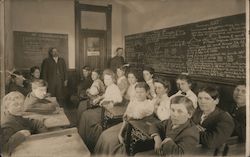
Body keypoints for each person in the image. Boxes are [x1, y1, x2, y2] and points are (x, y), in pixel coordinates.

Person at [94, 82, 154, 155]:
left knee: (110, 141)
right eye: (137, 92)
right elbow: (126, 117)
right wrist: (120, 133)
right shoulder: (134, 101)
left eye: (141, 92)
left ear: (147, 92)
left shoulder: (149, 105)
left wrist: (121, 134)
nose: (139, 94)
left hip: (137, 131)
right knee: (105, 134)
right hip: (126, 125)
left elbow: (133, 116)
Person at [78, 69, 122, 152]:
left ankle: (88, 141)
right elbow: (106, 95)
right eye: (105, 79)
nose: (106, 81)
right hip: (102, 108)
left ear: (113, 79)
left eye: (109, 79)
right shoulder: (109, 87)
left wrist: (112, 102)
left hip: (107, 111)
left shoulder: (115, 88)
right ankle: (83, 138)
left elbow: (119, 99)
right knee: (85, 114)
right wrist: (99, 98)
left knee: (86, 115)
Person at [1, 91, 48, 156]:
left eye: (22, 104)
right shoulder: (6, 125)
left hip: (29, 148)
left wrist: (44, 137)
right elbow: (4, 150)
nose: (20, 107)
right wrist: (20, 135)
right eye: (15, 105)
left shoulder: (17, 116)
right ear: (7, 108)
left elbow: (35, 123)